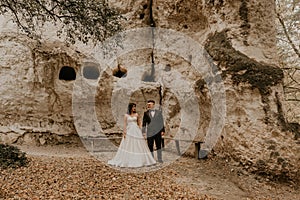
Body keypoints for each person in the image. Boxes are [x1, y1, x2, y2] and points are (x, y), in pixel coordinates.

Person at [108, 103, 156, 168]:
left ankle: (141, 160)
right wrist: (124, 132)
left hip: (136, 130)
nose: (134, 108)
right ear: (130, 107)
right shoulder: (126, 115)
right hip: (129, 130)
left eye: (135, 107)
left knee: (138, 144)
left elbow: (139, 123)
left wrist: (139, 129)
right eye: (133, 107)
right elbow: (125, 124)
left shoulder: (136, 114)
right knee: (128, 144)